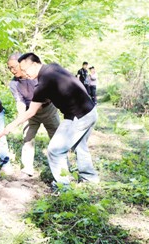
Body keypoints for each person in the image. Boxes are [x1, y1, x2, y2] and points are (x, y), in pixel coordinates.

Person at [5, 53, 100, 188]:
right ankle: (90, 180)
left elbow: (31, 111)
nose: (24, 74)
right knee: (80, 146)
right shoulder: (53, 67)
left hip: (78, 116)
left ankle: (63, 187)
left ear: (34, 64)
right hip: (90, 111)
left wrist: (11, 125)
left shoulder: (43, 84)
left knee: (55, 151)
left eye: (25, 70)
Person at [7, 53, 60, 177]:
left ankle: (62, 169)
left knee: (57, 139)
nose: (12, 70)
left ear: (22, 64)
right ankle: (27, 169)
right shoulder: (14, 84)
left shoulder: (36, 75)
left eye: (14, 67)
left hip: (48, 110)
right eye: (9, 68)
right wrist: (21, 117)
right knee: (27, 139)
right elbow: (19, 102)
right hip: (29, 113)